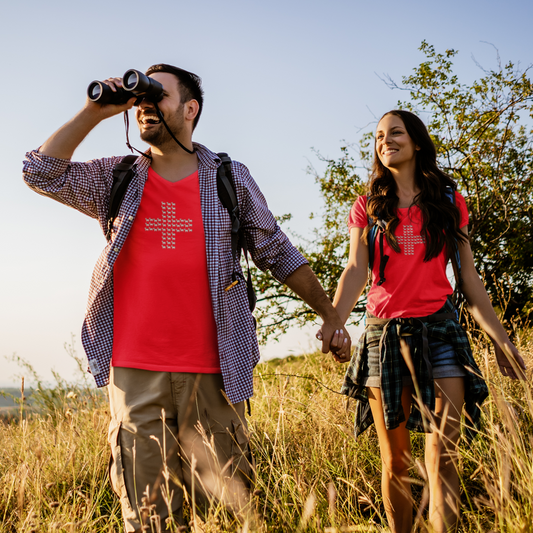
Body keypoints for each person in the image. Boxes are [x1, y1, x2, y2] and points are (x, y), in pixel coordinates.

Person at [22, 64, 351, 532]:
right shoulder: (118, 177)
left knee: (222, 511)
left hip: (216, 373)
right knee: (148, 515)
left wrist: (331, 315)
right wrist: (95, 113)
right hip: (135, 374)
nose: (146, 105)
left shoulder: (228, 178)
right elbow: (39, 171)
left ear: (191, 109)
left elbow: (277, 250)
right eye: (142, 97)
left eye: (160, 94)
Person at [319, 110, 526, 533]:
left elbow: (468, 278)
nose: (385, 140)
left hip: (441, 332)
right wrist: (334, 321)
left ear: (416, 142)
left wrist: (504, 344)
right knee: (395, 460)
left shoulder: (448, 201)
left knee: (442, 454)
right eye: (379, 136)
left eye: (395, 133)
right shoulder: (367, 206)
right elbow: (355, 270)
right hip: (382, 335)